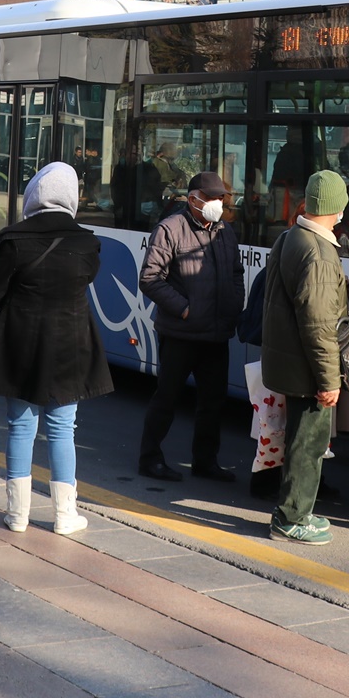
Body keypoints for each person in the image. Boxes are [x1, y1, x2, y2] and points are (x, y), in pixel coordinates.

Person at [0, 162, 114, 535]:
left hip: (20, 340)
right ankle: (65, 516)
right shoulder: (87, 242)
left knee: (20, 426)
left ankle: (17, 514)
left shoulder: (14, 239)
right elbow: (84, 280)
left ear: (34, 195)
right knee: (63, 428)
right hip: (70, 342)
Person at [260, 169, 349, 545]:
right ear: (336, 207)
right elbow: (319, 326)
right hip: (306, 368)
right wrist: (329, 381)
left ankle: (295, 510)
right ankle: (292, 517)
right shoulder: (319, 254)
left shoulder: (290, 237)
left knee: (299, 440)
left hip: (288, 360)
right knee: (309, 445)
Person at [137, 172, 243, 483]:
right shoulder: (170, 229)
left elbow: (237, 273)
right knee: (167, 398)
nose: (216, 204)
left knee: (213, 402)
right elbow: (150, 278)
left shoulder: (225, 231)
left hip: (216, 334)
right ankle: (150, 458)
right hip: (180, 334)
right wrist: (184, 309)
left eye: (220, 198)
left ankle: (205, 461)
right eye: (210, 198)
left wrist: (234, 304)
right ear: (193, 198)